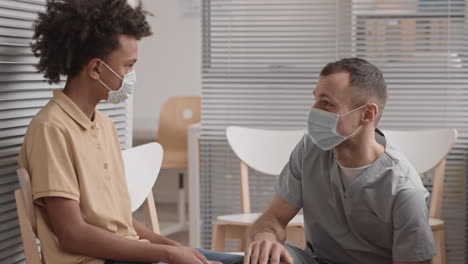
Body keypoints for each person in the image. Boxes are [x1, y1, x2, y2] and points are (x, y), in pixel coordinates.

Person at [18, 1, 243, 264]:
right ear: (96, 69)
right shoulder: (51, 129)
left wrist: (178, 248)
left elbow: (123, 224)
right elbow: (72, 234)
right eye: (128, 66)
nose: (132, 74)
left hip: (130, 253)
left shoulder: (104, 126)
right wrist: (168, 254)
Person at [242, 58, 436, 264]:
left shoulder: (404, 189)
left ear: (367, 114)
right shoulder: (309, 151)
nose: (314, 111)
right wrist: (266, 237)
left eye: (326, 103)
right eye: (315, 100)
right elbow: (273, 219)